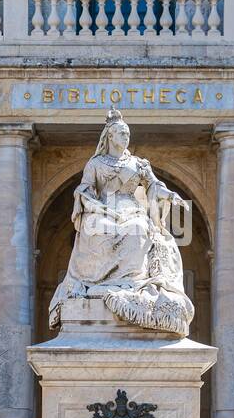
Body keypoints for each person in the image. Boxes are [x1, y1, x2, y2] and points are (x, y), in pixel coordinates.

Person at [47, 108, 195, 336]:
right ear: (110, 137)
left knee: (137, 229)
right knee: (95, 228)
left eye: (127, 133)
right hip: (102, 208)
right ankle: (97, 281)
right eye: (120, 133)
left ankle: (131, 283)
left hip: (130, 207)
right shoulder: (95, 164)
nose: (125, 137)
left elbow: (153, 185)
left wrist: (169, 195)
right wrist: (94, 205)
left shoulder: (138, 164)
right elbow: (85, 190)